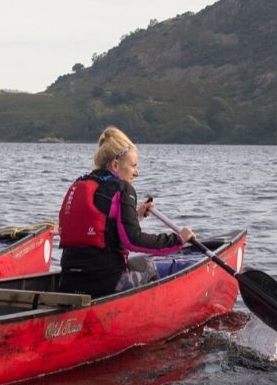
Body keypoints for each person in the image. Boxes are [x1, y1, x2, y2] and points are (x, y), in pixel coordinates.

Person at [56, 125, 194, 298]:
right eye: (133, 165)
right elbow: (132, 241)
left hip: (69, 281)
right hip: (105, 283)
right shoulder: (123, 189)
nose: (137, 172)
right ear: (115, 165)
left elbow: (104, 227)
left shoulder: (80, 184)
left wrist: (137, 216)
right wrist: (178, 239)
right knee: (148, 265)